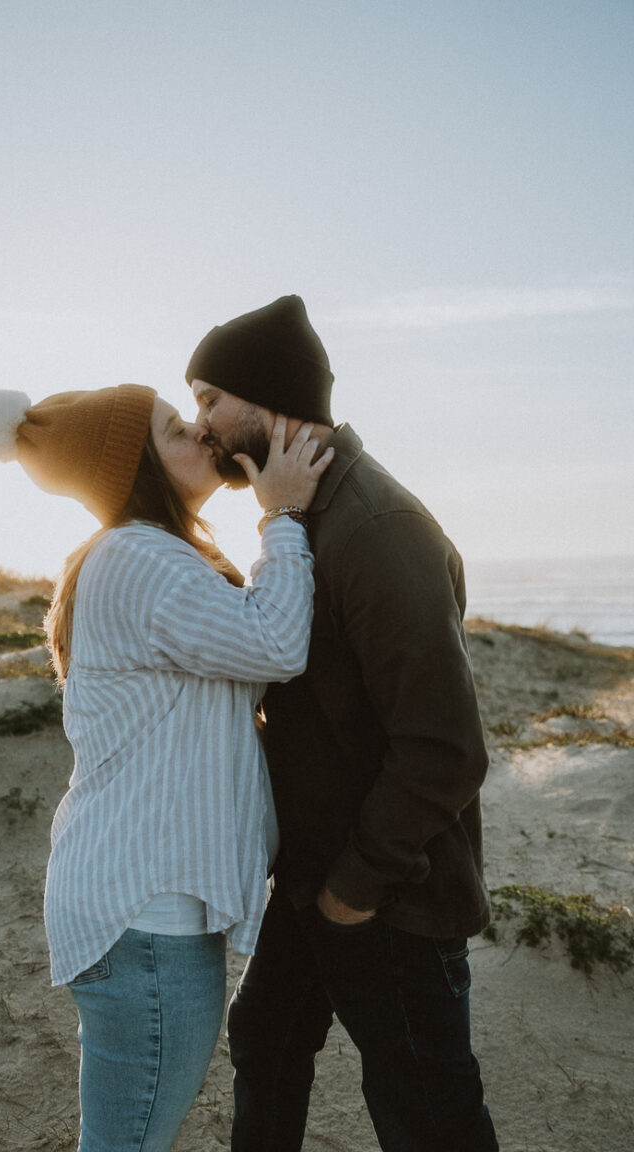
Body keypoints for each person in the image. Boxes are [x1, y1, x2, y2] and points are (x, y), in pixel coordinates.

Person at [0, 381, 333, 1152]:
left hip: (141, 908)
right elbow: (275, 646)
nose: (201, 434)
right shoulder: (139, 556)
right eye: (175, 429)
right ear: (133, 466)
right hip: (147, 918)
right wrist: (284, 517)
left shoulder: (145, 555)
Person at [186, 295, 500, 1152]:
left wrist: (353, 890)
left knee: (426, 1112)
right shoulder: (301, 515)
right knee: (268, 1043)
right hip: (315, 879)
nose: (198, 421)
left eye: (211, 399)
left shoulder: (374, 526)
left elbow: (445, 748)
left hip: (387, 895)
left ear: (272, 398)